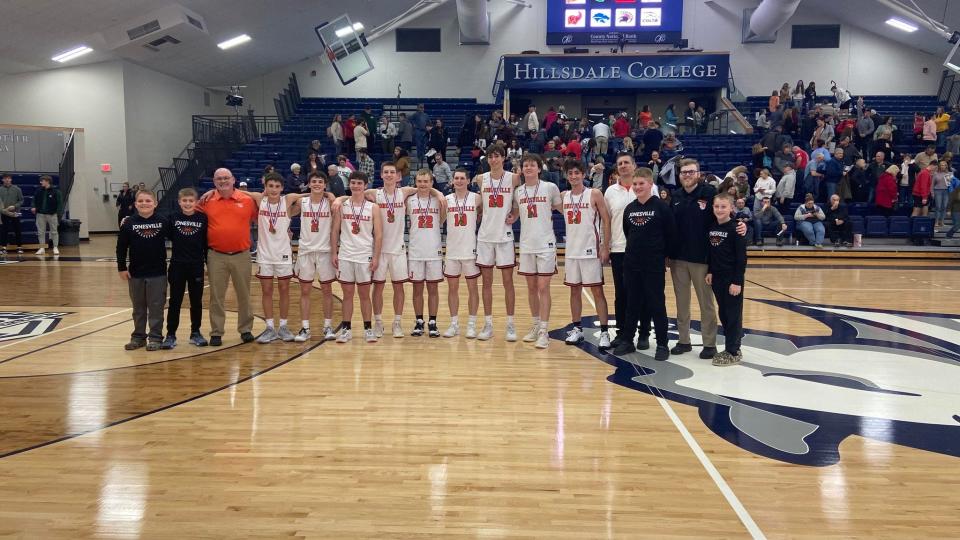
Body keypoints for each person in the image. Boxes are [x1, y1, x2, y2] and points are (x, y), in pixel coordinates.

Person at [670, 159, 745, 359]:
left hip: (702, 260)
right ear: (680, 175)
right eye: (684, 172)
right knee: (681, 303)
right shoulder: (675, 196)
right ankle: (683, 341)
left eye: (691, 172)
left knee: (706, 304)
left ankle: (709, 344)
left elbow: (723, 216)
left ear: (698, 173)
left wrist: (740, 225)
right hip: (678, 259)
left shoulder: (709, 193)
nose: (687, 175)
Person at [613, 168, 677, 360]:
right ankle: (627, 341)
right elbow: (627, 232)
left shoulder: (661, 207)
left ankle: (662, 344)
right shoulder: (630, 208)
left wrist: (663, 256)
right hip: (632, 263)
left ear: (650, 184)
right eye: (635, 184)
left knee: (657, 304)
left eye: (642, 183)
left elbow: (671, 234)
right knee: (632, 303)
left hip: (654, 265)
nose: (638, 187)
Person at [196, 168, 257, 346]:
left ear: (233, 180)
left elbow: (265, 210)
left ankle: (245, 329)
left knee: (244, 294)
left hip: (242, 255)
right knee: (216, 296)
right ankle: (216, 332)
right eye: (219, 179)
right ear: (214, 182)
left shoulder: (246, 200)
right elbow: (188, 212)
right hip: (216, 255)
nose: (223, 181)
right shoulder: (206, 201)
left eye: (226, 178)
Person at [243, 173, 306, 343]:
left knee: (284, 290)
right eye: (270, 186)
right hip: (264, 254)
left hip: (283, 254)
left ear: (282, 188)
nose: (274, 189)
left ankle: (283, 326)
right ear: (265, 186)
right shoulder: (259, 198)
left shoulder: (288, 200)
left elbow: (309, 194)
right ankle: (270, 327)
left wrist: (330, 195)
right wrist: (210, 192)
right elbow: (237, 191)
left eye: (277, 186)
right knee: (266, 291)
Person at [513, 153, 563, 349]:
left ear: (539, 169)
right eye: (526, 165)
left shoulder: (550, 188)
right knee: (532, 288)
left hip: (546, 244)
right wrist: (510, 218)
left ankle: (544, 330)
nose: (528, 168)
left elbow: (562, 208)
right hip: (526, 245)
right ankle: (535, 326)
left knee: (543, 287)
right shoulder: (518, 192)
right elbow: (516, 213)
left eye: (532, 165)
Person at [472, 142, 522, 341]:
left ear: (503, 158)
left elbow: (520, 199)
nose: (494, 159)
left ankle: (510, 325)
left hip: (504, 236)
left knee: (508, 283)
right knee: (486, 283)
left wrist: (516, 215)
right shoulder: (479, 179)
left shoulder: (513, 178)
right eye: (490, 156)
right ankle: (488, 324)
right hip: (484, 236)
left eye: (497, 156)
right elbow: (478, 203)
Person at [561, 160, 612, 349]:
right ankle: (577, 329)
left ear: (583, 174)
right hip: (571, 252)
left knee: (597, 290)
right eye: (570, 173)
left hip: (591, 250)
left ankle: (605, 332)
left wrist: (605, 246)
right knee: (574, 290)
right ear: (567, 176)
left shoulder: (594, 194)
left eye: (577, 173)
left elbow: (606, 220)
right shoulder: (564, 196)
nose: (574, 176)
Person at [331, 171, 382, 343]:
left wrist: (376, 257)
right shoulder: (342, 206)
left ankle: (368, 328)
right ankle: (346, 329)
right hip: (346, 255)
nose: (356, 186)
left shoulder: (373, 207)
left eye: (359, 183)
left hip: (364, 255)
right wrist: (333, 252)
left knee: (364, 294)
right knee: (347, 294)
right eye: (353, 183)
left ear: (365, 186)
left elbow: (379, 235)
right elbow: (334, 230)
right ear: (349, 184)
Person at [116, 189, 167, 351]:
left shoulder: (163, 221)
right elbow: (121, 247)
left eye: (148, 201)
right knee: (138, 308)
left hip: (157, 273)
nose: (144, 204)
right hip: (136, 273)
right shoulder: (128, 223)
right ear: (135, 204)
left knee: (156, 307)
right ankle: (138, 337)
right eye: (141, 201)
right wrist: (121, 267)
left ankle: (155, 337)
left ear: (155, 204)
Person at [159, 188, 209, 350]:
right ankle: (171, 334)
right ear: (179, 202)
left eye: (191, 201)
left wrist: (207, 265)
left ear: (196, 202)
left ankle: (195, 332)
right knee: (175, 301)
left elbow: (206, 245)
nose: (187, 204)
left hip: (196, 266)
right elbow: (158, 231)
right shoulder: (172, 218)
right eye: (184, 201)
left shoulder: (202, 218)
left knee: (196, 301)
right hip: (177, 265)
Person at [292, 172, 338, 343]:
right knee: (305, 291)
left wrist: (331, 195)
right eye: (314, 182)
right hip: (305, 251)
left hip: (325, 251)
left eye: (320, 182)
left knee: (327, 290)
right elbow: (287, 212)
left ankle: (328, 326)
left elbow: (342, 202)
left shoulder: (331, 203)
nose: (317, 184)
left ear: (325, 185)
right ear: (309, 184)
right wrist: (304, 193)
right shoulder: (302, 202)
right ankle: (305, 327)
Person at [705, 193, 747, 366]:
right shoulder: (712, 226)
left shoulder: (737, 228)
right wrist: (710, 271)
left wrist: (737, 281)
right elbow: (712, 253)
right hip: (717, 278)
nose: (720, 210)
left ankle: (734, 350)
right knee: (723, 312)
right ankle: (730, 346)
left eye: (723, 206)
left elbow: (741, 258)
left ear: (731, 208)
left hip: (732, 279)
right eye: (717, 206)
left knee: (733, 315)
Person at [406, 169, 446, 337]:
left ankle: (433, 322)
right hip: (415, 250)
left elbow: (442, 219)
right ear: (416, 183)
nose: (423, 184)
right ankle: (419, 321)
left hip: (433, 250)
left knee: (433, 289)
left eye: (426, 181)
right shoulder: (409, 200)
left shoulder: (439, 201)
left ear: (431, 182)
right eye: (420, 181)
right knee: (417, 290)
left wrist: (438, 193)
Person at [443, 168, 482, 338]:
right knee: (452, 289)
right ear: (452, 181)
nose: (459, 181)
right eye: (456, 178)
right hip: (451, 251)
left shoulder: (477, 198)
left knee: (473, 289)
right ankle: (454, 324)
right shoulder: (446, 200)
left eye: (462, 178)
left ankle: (472, 324)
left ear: (468, 180)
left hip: (470, 251)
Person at [31, 175, 62, 256]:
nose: (41, 182)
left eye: (42, 181)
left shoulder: (56, 192)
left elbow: (60, 204)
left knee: (54, 231)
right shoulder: (38, 191)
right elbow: (34, 200)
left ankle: (55, 247)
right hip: (40, 214)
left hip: (52, 214)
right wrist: (33, 207)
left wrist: (58, 215)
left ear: (47, 181)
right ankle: (42, 248)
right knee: (41, 232)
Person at [0, 173, 24, 255]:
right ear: (2, 180)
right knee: (4, 230)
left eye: (9, 178)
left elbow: (21, 200)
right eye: (5, 178)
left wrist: (14, 206)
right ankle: (3, 248)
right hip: (4, 213)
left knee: (17, 229)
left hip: (15, 212)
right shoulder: (0, 189)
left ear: (11, 179)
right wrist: (4, 209)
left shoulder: (17, 189)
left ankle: (19, 247)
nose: (7, 180)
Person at [932, 160, 952, 228]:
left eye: (944, 165)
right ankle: (936, 222)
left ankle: (942, 222)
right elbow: (932, 185)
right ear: (939, 166)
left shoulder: (949, 174)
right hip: (938, 191)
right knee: (938, 207)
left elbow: (951, 185)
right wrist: (932, 193)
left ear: (946, 166)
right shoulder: (935, 174)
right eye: (941, 165)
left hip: (946, 191)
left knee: (944, 207)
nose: (943, 166)